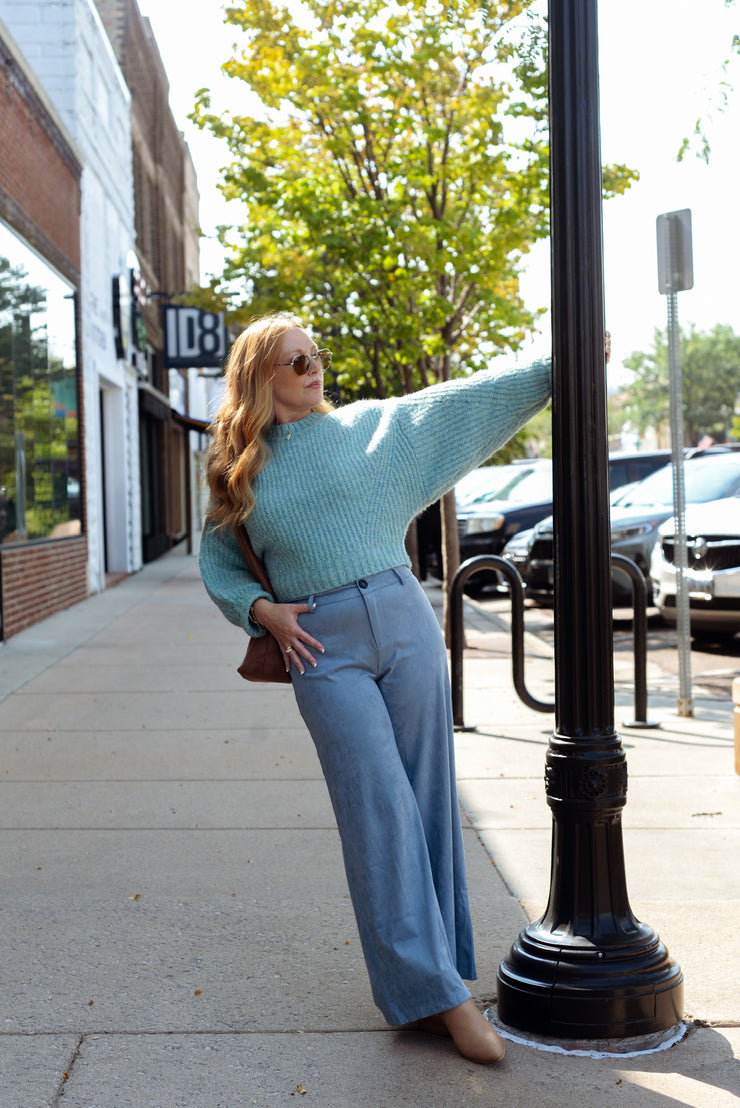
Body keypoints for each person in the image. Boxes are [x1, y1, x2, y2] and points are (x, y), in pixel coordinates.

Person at [199, 311, 552, 1065]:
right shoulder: (239, 465)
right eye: (296, 361)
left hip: (402, 618)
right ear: (262, 375)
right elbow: (220, 563)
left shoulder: (368, 429)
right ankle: (444, 1000)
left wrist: (557, 367)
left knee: (428, 796)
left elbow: (459, 404)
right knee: (377, 807)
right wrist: (259, 611)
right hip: (319, 645)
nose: (313, 368)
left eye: (315, 355)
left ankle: (438, 982)